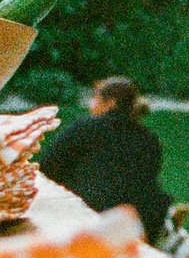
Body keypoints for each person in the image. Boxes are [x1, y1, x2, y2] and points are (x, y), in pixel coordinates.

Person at [38, 76, 175, 244]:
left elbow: (46, 169)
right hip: (144, 219)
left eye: (94, 98)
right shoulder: (149, 138)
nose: (90, 104)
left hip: (97, 216)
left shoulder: (84, 128)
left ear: (110, 103)